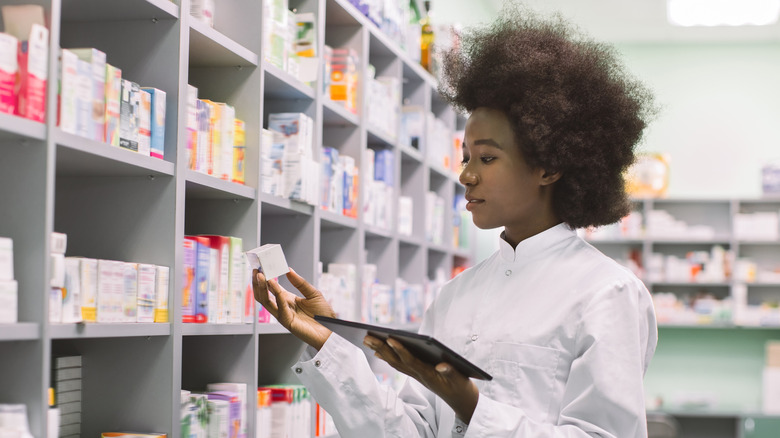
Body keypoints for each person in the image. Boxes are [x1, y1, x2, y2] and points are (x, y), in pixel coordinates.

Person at [253, 4, 658, 437]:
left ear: (548, 166)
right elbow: (411, 431)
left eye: (487, 157)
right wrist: (326, 340)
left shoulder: (606, 293)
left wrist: (471, 405)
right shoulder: (457, 295)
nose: (466, 175)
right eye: (466, 157)